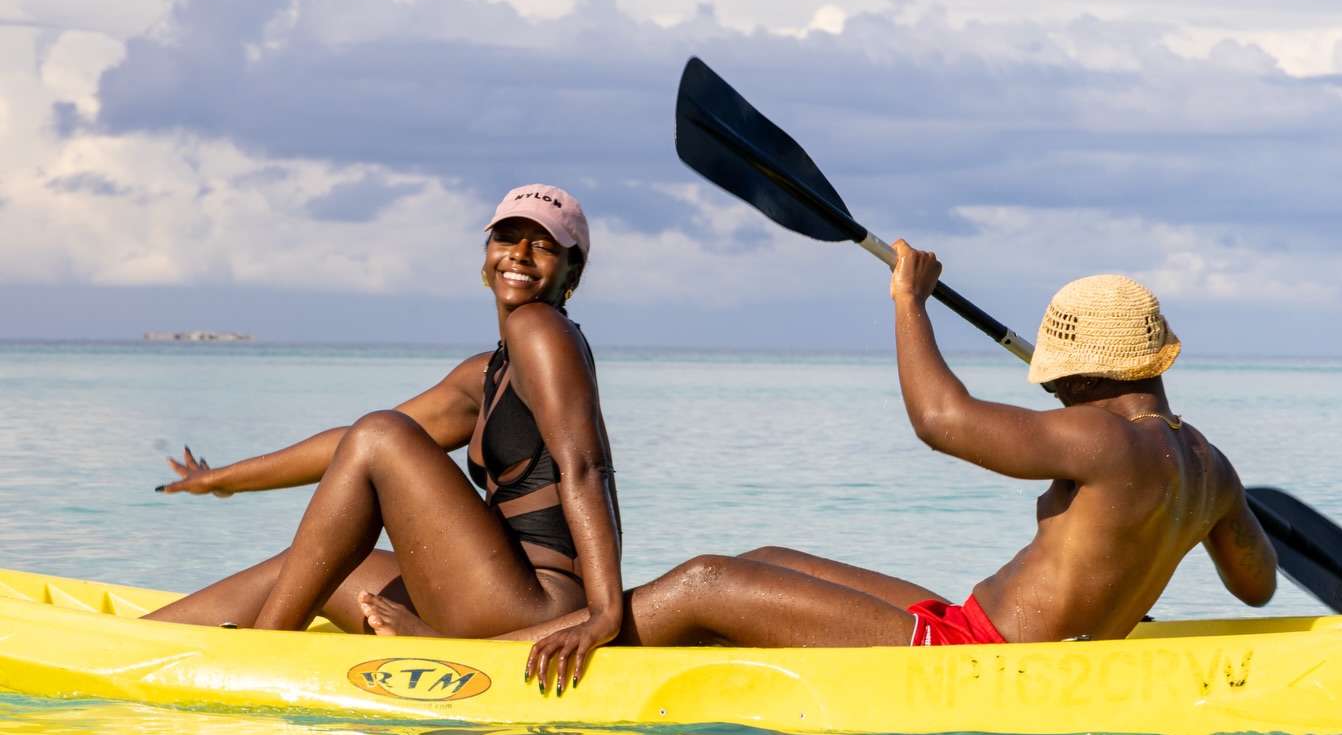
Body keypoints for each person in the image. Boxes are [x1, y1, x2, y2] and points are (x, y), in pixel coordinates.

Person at [511, 248, 1277, 693]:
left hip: (976, 664)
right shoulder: (1208, 466)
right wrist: (1175, 536)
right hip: (976, 628)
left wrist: (910, 301)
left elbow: (939, 421)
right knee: (766, 562)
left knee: (707, 578)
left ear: (1078, 373)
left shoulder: (1101, 440)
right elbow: (1257, 585)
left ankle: (507, 659)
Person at [145, 185, 623, 679]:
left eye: (544, 245)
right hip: (493, 589)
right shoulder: (488, 371)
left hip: (532, 604)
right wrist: (224, 479)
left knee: (380, 435)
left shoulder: (540, 329)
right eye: (506, 237)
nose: (519, 254)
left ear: (573, 271)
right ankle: (132, 640)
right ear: (486, 255)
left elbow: (586, 468)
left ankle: (261, 658)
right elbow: (351, 446)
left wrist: (604, 615)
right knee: (316, 567)